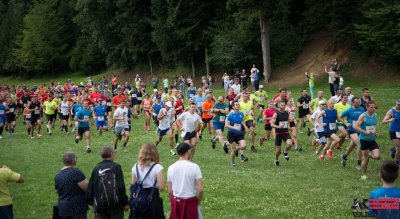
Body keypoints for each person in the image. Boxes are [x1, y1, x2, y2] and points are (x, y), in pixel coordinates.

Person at [86, 146, 128, 219]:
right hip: (116, 206)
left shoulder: (96, 168)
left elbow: (91, 187)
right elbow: (121, 187)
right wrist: (125, 202)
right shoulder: (116, 167)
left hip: (100, 206)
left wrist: (92, 202)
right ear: (111, 154)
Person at [168, 143, 203, 219]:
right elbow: (200, 190)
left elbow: (170, 191)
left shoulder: (171, 168)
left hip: (176, 202)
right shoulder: (195, 167)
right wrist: (197, 202)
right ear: (188, 152)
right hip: (190, 202)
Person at [130, 144, 165, 219]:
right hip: (153, 199)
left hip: (138, 199)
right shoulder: (157, 167)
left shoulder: (135, 167)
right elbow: (161, 187)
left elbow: (133, 184)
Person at [54, 152, 89, 219]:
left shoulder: (58, 175)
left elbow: (57, 190)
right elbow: (87, 188)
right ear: (73, 161)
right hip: (76, 208)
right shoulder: (75, 172)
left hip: (63, 208)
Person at [354, 101, 381, 180]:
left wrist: (375, 132)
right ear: (367, 107)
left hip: (372, 139)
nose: (373, 109)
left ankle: (368, 154)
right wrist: (365, 132)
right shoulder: (363, 116)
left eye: (374, 107)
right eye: (371, 107)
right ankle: (363, 175)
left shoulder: (375, 115)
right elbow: (356, 127)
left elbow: (372, 126)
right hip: (364, 139)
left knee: (377, 156)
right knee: (366, 159)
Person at [339, 97, 364, 169]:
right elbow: (340, 117)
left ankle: (344, 156)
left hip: (360, 129)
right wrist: (346, 123)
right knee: (359, 144)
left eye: (359, 102)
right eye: (357, 102)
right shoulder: (349, 110)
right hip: (352, 130)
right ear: (353, 103)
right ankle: (358, 163)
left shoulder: (362, 109)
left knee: (352, 145)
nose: (359, 103)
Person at [270, 101, 293, 166]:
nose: (283, 106)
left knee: (290, 144)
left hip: (285, 132)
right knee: (278, 151)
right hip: (278, 134)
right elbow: (272, 125)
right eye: (282, 105)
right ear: (279, 106)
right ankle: (276, 160)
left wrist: (288, 126)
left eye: (284, 105)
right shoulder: (276, 114)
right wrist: (278, 126)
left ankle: (285, 151)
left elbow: (288, 120)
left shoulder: (286, 113)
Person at [382, 99, 400, 165]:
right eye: (398, 105)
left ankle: (394, 150)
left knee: (398, 148)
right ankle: (397, 161)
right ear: (396, 104)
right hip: (394, 131)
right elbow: (383, 121)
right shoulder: (391, 111)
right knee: (399, 147)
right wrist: (389, 120)